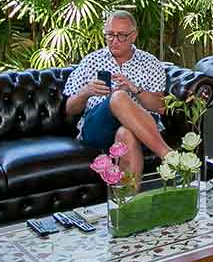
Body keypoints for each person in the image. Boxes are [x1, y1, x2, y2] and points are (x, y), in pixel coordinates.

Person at [63, 9, 172, 178]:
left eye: (121, 35)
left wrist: (134, 90)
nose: (114, 41)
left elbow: (161, 107)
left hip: (141, 130)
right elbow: (69, 109)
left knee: (125, 134)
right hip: (98, 128)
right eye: (110, 35)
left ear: (134, 36)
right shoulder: (92, 61)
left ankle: (126, 202)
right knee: (118, 97)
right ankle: (168, 155)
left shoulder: (151, 63)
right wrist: (86, 92)